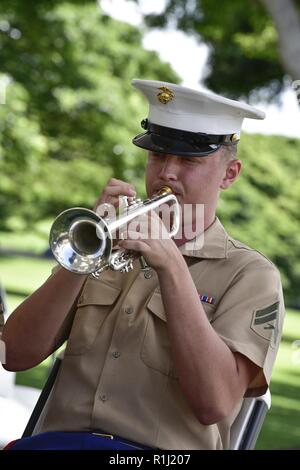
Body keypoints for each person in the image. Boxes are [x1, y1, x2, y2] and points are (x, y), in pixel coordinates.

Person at [1, 80, 285, 450]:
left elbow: (213, 403)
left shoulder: (251, 275)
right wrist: (83, 255)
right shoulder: (109, 245)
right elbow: (15, 354)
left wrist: (173, 267)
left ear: (229, 174)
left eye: (188, 160)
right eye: (158, 155)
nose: (167, 173)